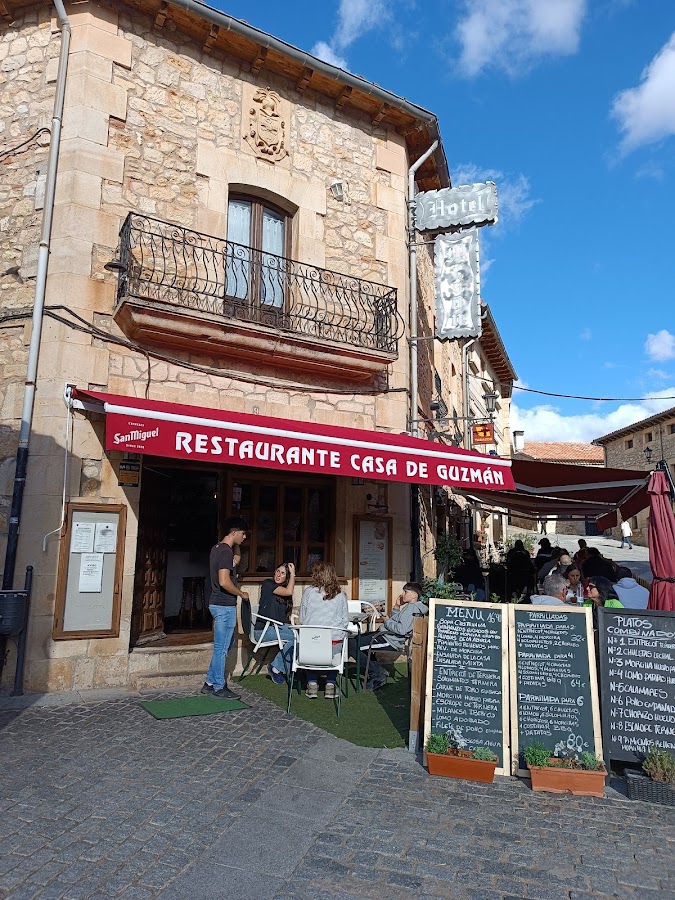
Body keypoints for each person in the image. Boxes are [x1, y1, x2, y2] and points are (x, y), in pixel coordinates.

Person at [202, 516, 249, 699]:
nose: (244, 538)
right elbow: (224, 581)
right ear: (234, 532)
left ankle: (209, 682)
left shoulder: (218, 549)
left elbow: (236, 560)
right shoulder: (224, 552)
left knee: (225, 645)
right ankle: (219, 686)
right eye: (243, 534)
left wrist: (235, 544)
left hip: (218, 604)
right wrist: (240, 593)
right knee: (222, 648)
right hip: (224, 605)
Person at [299, 562, 349, 700]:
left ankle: (312, 684)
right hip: (333, 643)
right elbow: (345, 621)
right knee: (337, 647)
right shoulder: (340, 595)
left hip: (312, 643)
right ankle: (330, 684)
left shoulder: (308, 592)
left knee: (311, 644)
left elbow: (302, 618)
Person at [351, 582, 428, 658]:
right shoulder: (411, 607)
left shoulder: (412, 609)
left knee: (352, 645)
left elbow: (402, 629)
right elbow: (396, 621)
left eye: (405, 592)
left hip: (389, 640)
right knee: (356, 639)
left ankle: (376, 670)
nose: (402, 594)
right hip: (385, 635)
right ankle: (374, 668)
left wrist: (386, 621)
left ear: (415, 595)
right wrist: (397, 606)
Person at [254, 562, 296, 684]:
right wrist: (293, 574)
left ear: (285, 578)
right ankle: (276, 667)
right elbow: (289, 591)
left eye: (283, 573)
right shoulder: (268, 584)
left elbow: (283, 620)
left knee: (303, 635)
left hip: (277, 628)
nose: (278, 575)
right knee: (296, 638)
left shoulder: (283, 597)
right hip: (263, 631)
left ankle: (298, 669)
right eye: (278, 571)